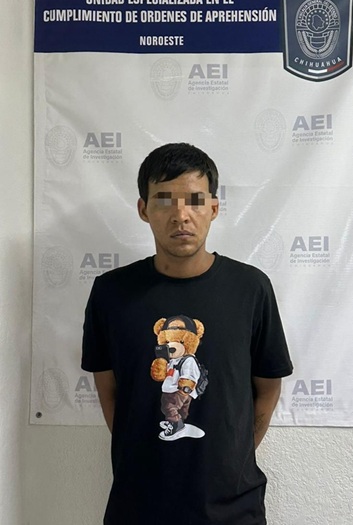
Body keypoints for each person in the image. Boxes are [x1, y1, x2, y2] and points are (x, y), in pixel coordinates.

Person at [82, 142, 293, 525]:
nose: (181, 215)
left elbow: (268, 387)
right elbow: (109, 391)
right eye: (164, 201)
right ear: (143, 209)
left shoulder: (251, 289)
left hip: (233, 510)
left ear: (213, 208)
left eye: (195, 200)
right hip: (138, 507)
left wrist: (232, 458)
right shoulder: (111, 293)